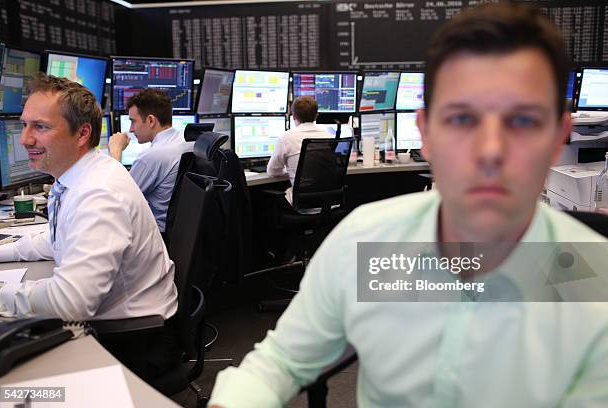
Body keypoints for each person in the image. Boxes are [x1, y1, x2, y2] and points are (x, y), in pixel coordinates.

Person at [208, 4, 608, 407]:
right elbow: (280, 362)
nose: (490, 152)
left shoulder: (595, 287)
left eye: (522, 121)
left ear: (559, 137)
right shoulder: (369, 246)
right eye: (462, 119)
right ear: (426, 133)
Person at [0, 74, 180, 382]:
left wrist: (0, 294)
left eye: (40, 127)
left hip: (133, 341)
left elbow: (71, 302)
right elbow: (54, 240)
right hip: (120, 323)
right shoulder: (79, 175)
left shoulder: (98, 193)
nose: (25, 139)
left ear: (82, 133)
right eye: (24, 124)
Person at [109, 88, 191, 234]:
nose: (131, 129)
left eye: (133, 121)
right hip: (184, 235)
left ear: (151, 120)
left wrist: (116, 151)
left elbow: (115, 200)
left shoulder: (152, 157)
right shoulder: (186, 142)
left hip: (160, 237)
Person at [267, 96, 332, 204]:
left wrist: (291, 170)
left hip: (302, 203)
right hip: (328, 203)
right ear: (316, 115)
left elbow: (272, 171)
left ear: (293, 116)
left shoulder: (286, 138)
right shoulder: (329, 137)